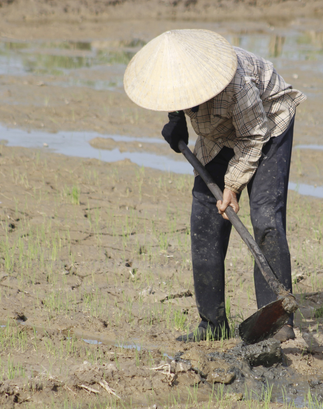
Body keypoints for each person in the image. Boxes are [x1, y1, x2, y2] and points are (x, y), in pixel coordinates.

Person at [124, 29, 305, 343]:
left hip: (267, 126)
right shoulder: (175, 78)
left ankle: (278, 324)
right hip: (219, 135)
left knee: (265, 219)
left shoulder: (237, 83)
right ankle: (213, 324)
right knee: (205, 220)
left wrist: (232, 186)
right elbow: (175, 96)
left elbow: (252, 138)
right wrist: (176, 119)